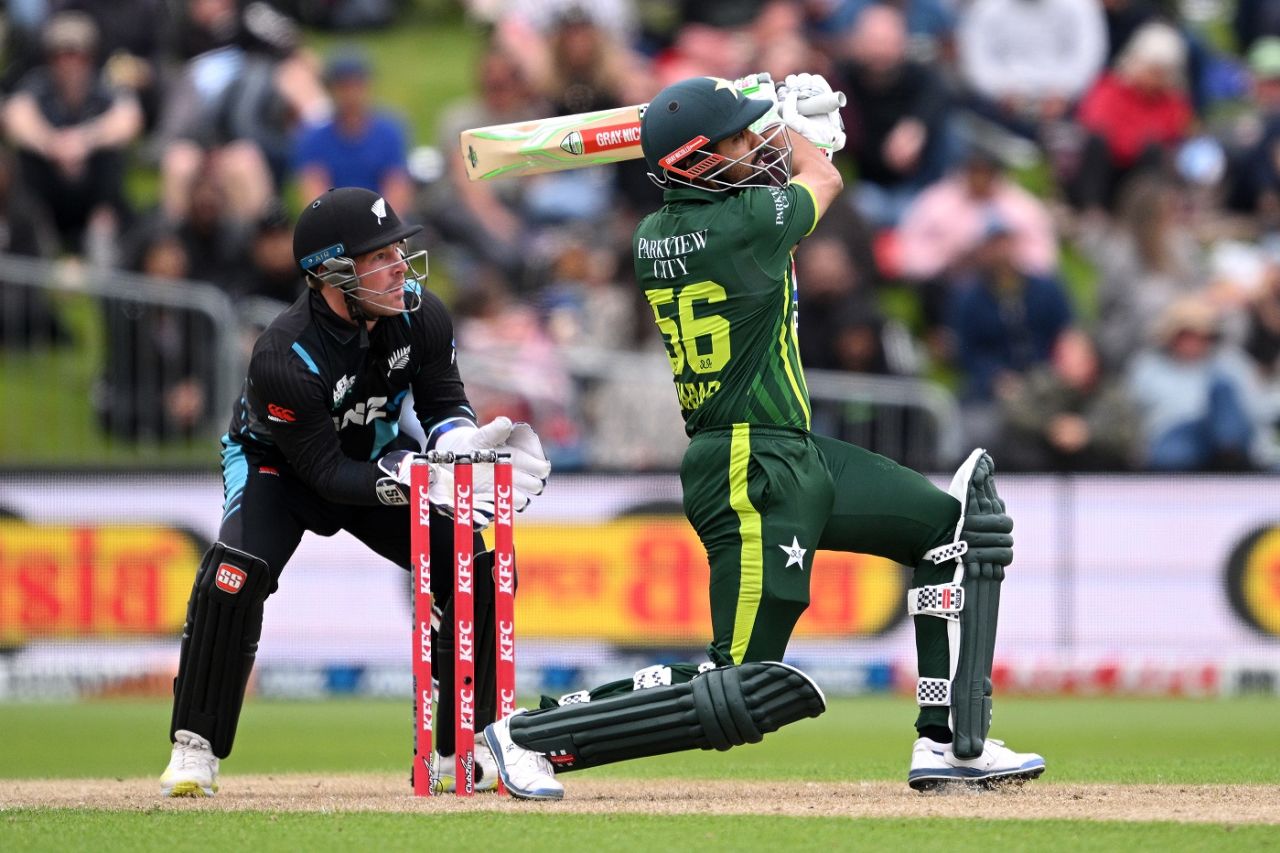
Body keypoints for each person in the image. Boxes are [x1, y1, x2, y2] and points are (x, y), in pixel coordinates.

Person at [481, 75, 1045, 800]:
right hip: (750, 464)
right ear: (697, 160)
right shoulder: (748, 219)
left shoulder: (654, 234)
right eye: (740, 138)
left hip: (787, 449)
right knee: (739, 682)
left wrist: (764, 118)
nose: (757, 145)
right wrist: (792, 120)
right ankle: (528, 732)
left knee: (942, 528)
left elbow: (782, 176)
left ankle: (946, 741)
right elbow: (824, 176)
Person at [158, 187, 552, 797]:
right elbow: (323, 477)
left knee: (477, 560)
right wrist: (421, 478)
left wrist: (463, 445)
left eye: (398, 249)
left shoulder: (420, 312)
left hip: (372, 457)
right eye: (379, 257)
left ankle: (462, 747)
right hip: (278, 468)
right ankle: (194, 749)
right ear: (331, 274)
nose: (400, 266)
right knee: (235, 574)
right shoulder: (283, 355)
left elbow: (444, 404)